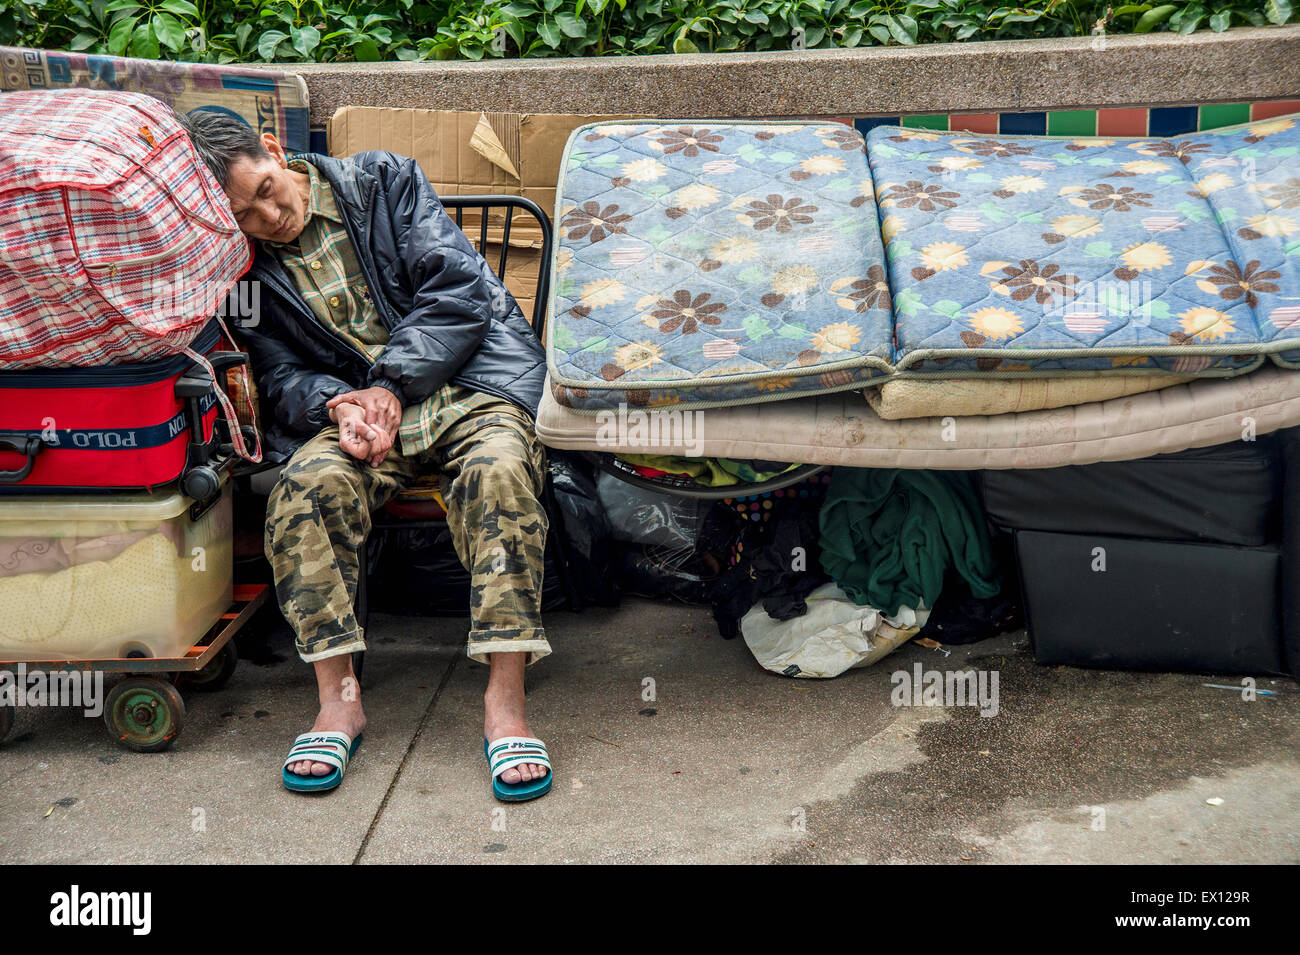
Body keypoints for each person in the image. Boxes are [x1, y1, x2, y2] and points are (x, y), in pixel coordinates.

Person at [176, 109, 555, 801]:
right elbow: (276, 374)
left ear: (273, 149)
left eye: (266, 190)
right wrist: (339, 405)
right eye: (243, 216)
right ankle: (338, 697)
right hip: (364, 418)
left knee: (498, 471)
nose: (267, 217)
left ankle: (506, 698)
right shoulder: (245, 270)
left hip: (466, 384)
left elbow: (458, 293)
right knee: (305, 487)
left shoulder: (383, 181)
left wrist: (388, 383)